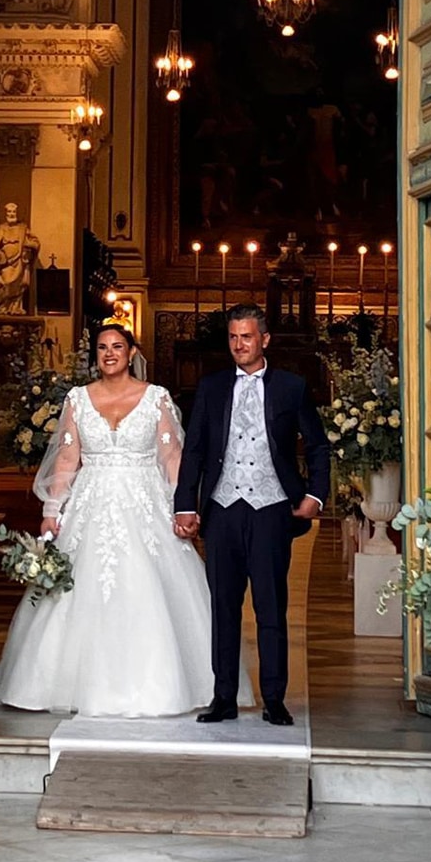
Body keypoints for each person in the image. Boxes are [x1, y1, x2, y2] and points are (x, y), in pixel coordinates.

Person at [0, 324, 251, 717]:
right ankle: (64, 683)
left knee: (151, 587)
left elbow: (172, 458)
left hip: (145, 503)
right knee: (76, 591)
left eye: (117, 346)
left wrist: (184, 506)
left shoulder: (155, 398)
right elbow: (67, 458)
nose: (109, 353)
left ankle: (166, 684)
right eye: (102, 347)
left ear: (131, 352)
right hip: (90, 502)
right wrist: (52, 510)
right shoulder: (78, 399)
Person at [174, 304, 329, 727]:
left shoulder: (291, 387)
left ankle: (274, 699)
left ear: (264, 340)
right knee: (223, 608)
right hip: (222, 510)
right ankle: (223, 696)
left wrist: (315, 494)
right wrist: (185, 504)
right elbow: (195, 450)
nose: (239, 345)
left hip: (271, 509)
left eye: (246, 337)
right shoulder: (211, 387)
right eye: (233, 337)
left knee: (270, 607)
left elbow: (317, 446)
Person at [0, 202, 40, 316]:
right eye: (9, 212)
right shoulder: (1, 228)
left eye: (14, 212)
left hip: (20, 262)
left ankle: (16, 307)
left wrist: (28, 244)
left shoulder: (23, 228)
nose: (11, 214)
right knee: (6, 284)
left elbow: (35, 243)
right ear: (5, 213)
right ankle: (3, 307)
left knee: (20, 285)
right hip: (6, 263)